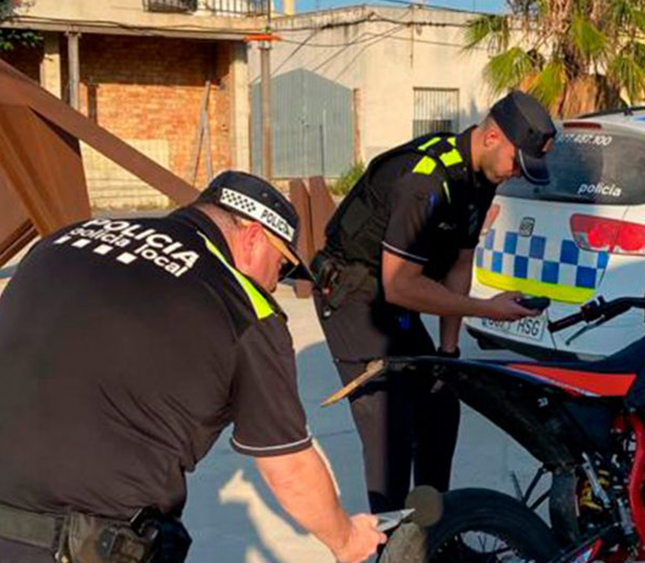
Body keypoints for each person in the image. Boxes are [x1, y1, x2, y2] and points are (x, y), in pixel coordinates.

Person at [0, 171, 384, 563]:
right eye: (282, 266)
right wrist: (346, 538)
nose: (274, 284)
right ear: (254, 237)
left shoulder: (63, 241)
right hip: (89, 544)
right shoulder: (243, 306)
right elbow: (288, 469)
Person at [312, 91, 557, 513]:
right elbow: (400, 286)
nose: (518, 174)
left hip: (393, 294)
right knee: (390, 430)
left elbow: (460, 263)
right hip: (354, 294)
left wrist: (448, 352)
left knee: (440, 408)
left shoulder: (481, 176)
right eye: (518, 163)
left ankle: (430, 534)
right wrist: (488, 309)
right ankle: (392, 549)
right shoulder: (424, 181)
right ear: (493, 136)